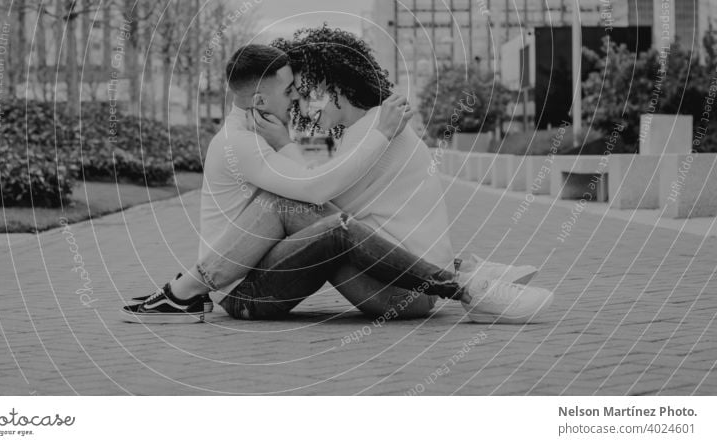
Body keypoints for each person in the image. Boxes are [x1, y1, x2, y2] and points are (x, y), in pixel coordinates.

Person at [123, 30, 552, 324]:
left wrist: (297, 143)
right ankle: (462, 282)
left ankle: (462, 276)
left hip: (385, 290)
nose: (300, 102)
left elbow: (320, 173)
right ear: (258, 98)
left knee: (318, 216)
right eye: (291, 91)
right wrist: (373, 134)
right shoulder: (242, 144)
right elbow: (317, 186)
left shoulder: (315, 136)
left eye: (304, 91)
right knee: (311, 213)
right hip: (243, 293)